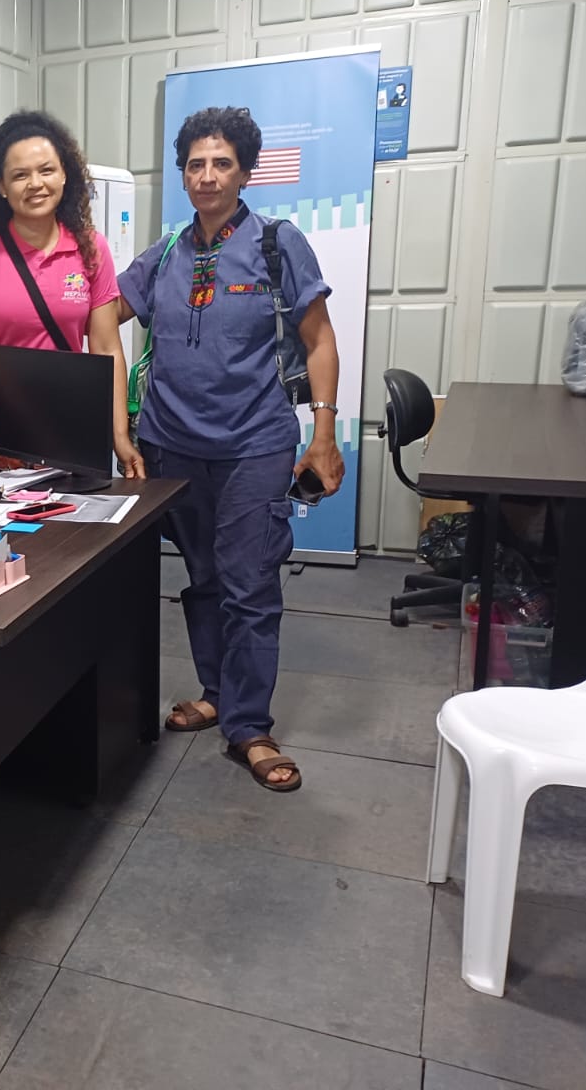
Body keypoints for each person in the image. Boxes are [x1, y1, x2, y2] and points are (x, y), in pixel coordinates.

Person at [118, 105, 344, 793]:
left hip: (254, 444)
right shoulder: (163, 254)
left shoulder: (277, 244)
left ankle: (249, 727)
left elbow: (319, 340)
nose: (208, 175)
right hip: (171, 446)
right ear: (183, 173)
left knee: (250, 585)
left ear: (244, 173)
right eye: (196, 164)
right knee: (205, 577)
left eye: (222, 163)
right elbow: (100, 312)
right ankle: (217, 692)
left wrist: (324, 433)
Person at [0, 110, 141, 478]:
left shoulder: (92, 249)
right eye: (20, 175)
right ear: (1, 186)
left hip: (69, 413)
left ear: (64, 174)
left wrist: (119, 434)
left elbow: (107, 348)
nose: (35, 184)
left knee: (72, 516)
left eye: (46, 170)